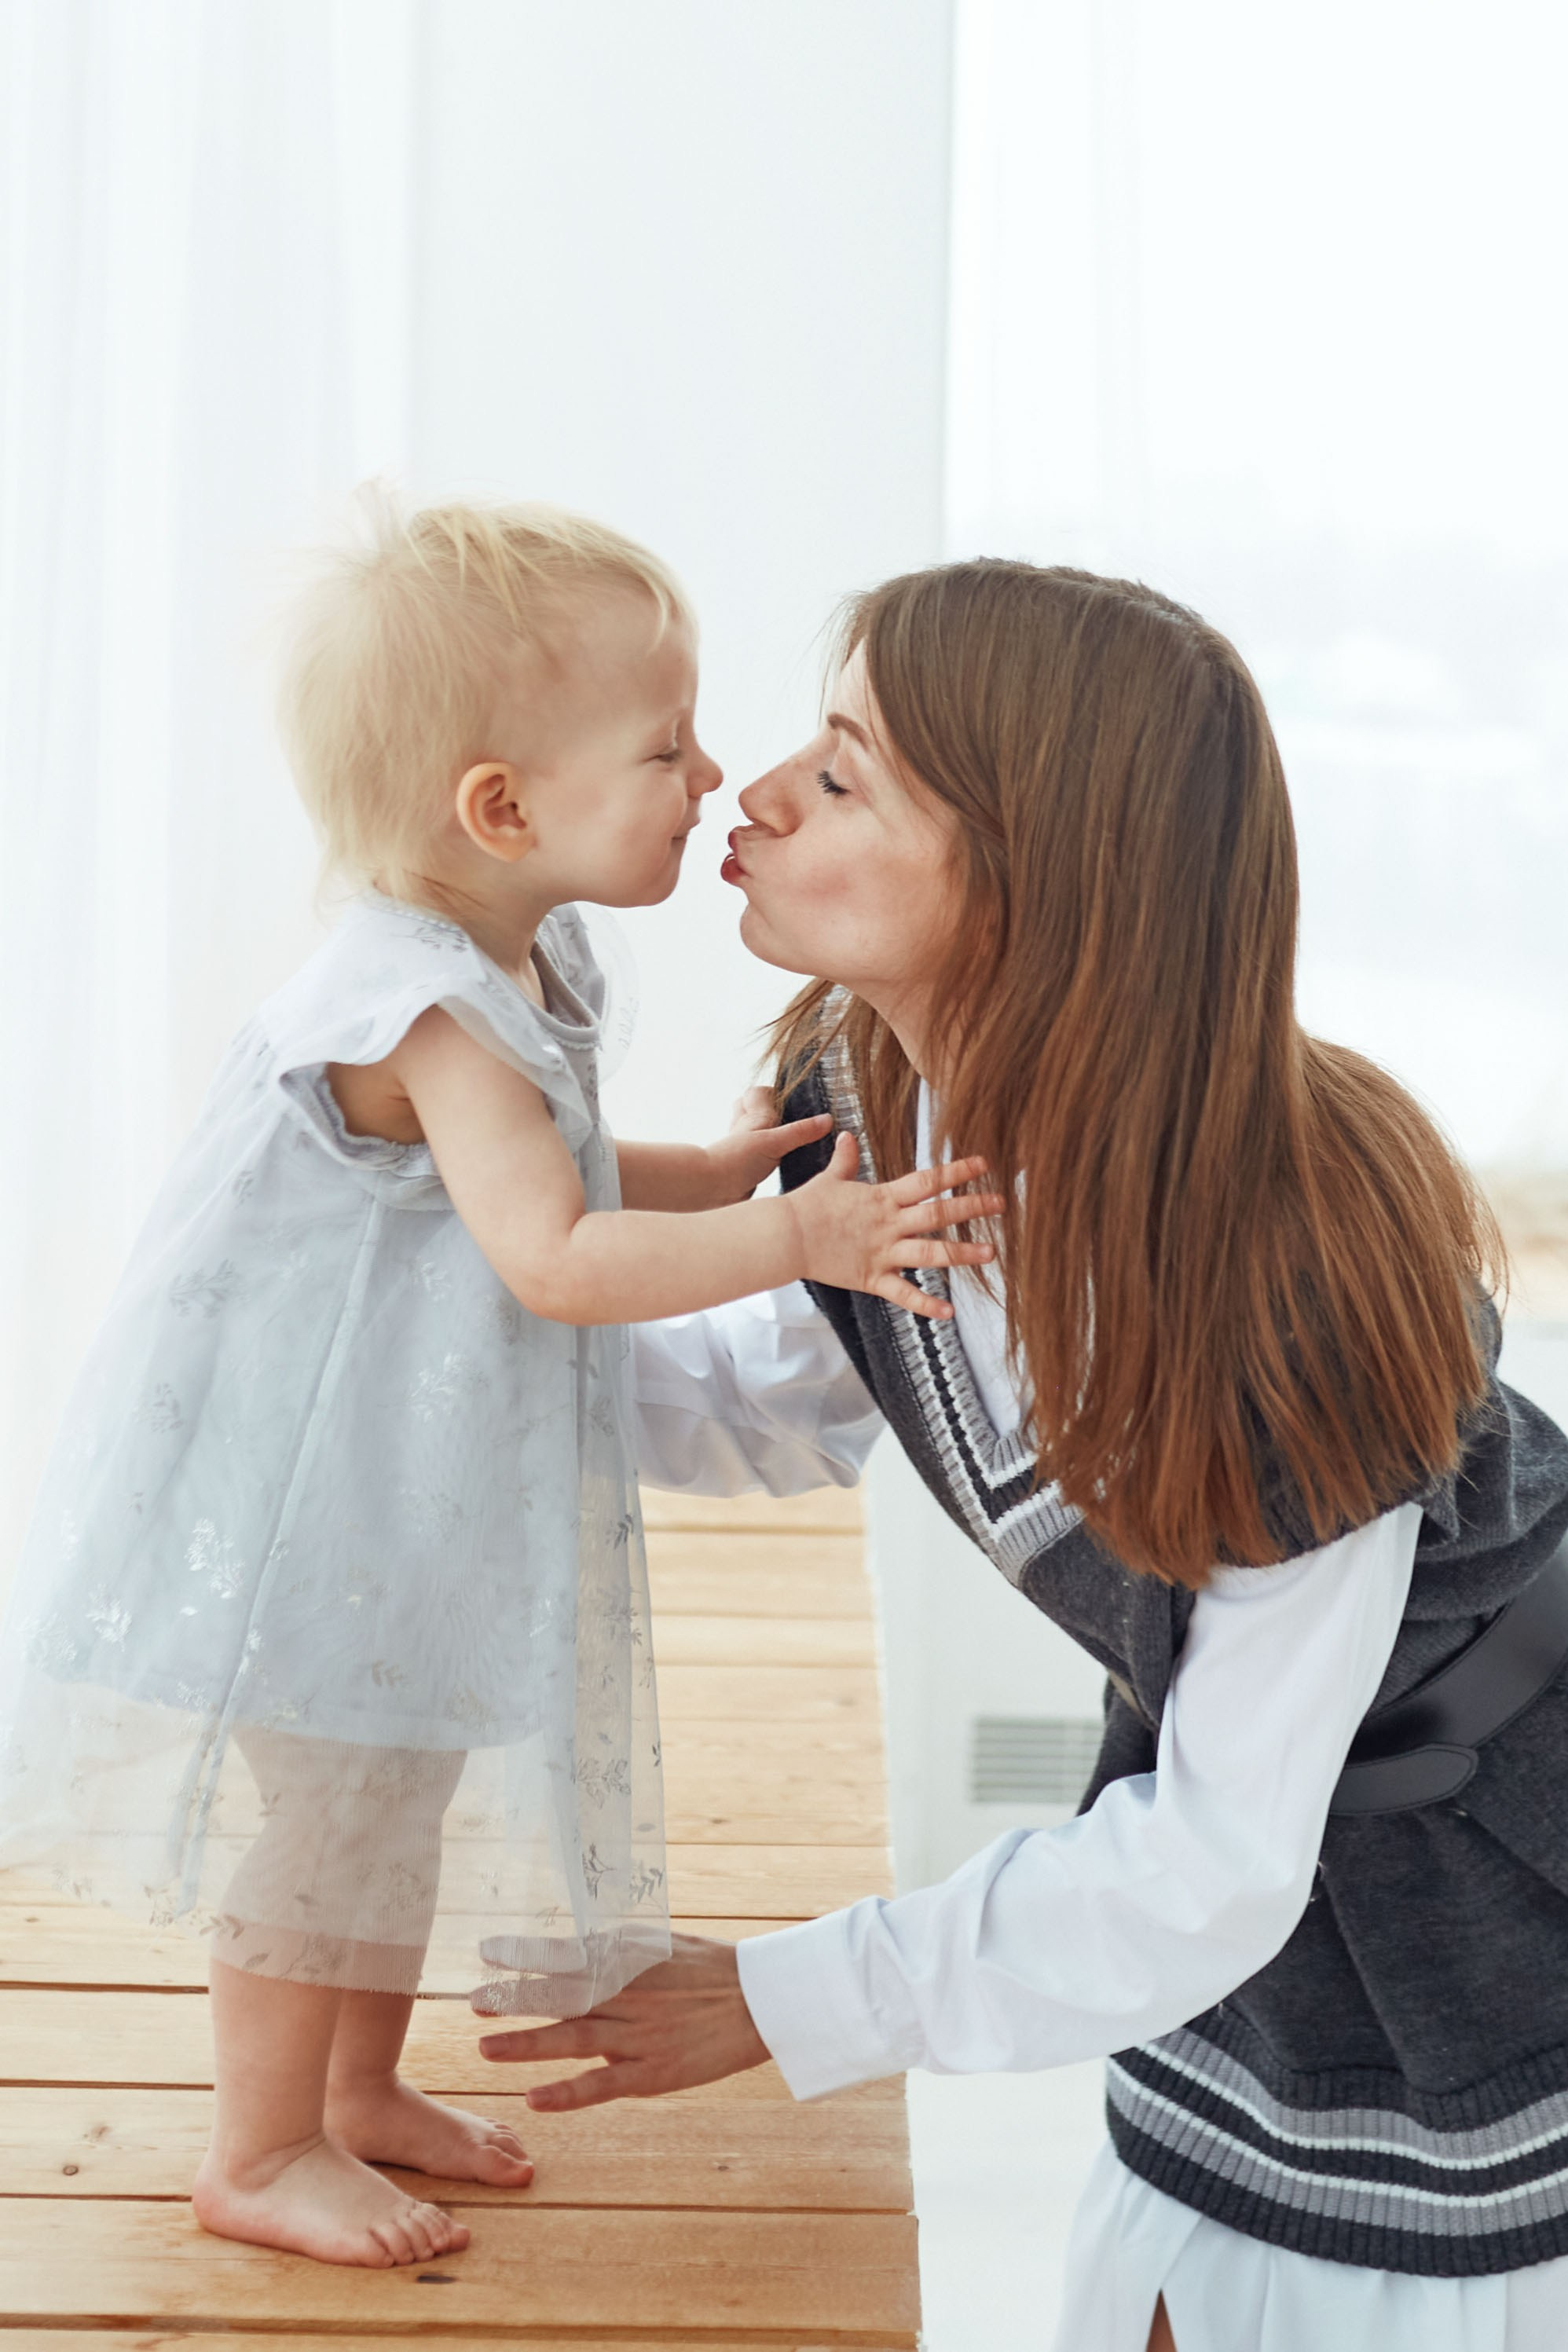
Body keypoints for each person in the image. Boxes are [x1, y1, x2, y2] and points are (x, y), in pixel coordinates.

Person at [476, 559, 1568, 2352]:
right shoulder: (884, 1099)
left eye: (840, 780)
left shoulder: (1265, 1305)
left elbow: (1217, 1859)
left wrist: (783, 1997)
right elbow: (782, 1386)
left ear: (1028, 886)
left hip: (1476, 1912)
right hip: (1259, 1867)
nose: (749, 794)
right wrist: (408, 1360)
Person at [0, 500, 995, 2273]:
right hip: (322, 1482)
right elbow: (551, 1257)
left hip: (406, 1465)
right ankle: (262, 2143)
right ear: (501, 811)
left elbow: (564, 1166)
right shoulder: (423, 1009)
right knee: (331, 1811)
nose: (713, 777)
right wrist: (803, 1241)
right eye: (664, 744)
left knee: (402, 1779)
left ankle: (360, 2095)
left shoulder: (511, 959)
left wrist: (702, 1167)